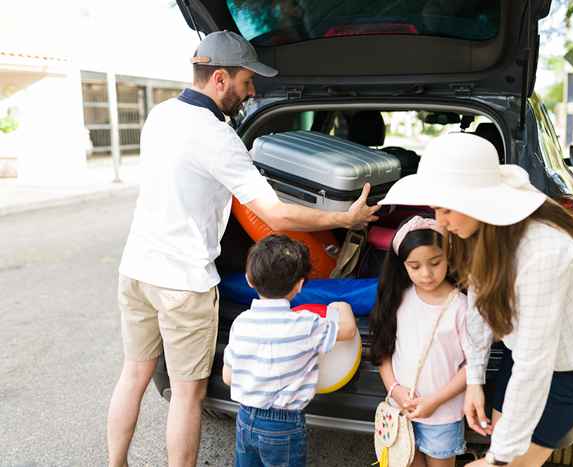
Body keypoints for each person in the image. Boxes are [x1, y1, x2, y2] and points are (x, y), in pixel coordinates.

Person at [107, 31, 378, 467]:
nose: (252, 92)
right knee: (188, 392)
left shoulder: (160, 115)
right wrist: (345, 220)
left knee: (133, 374)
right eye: (247, 81)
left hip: (136, 268)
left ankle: (114, 463)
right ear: (219, 78)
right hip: (184, 283)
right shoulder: (216, 135)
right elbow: (278, 216)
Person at [379, 133, 573, 467]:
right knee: (500, 440)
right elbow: (479, 302)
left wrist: (499, 460)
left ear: (477, 202)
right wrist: (474, 380)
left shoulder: (545, 251)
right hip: (519, 356)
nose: (440, 222)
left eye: (446, 210)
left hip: (568, 371)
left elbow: (536, 362)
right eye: (436, 209)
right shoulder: (478, 233)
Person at [223, 234, 358, 466]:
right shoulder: (305, 325)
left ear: (249, 279)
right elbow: (347, 331)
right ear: (300, 285)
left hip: (245, 418)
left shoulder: (241, 322)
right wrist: (342, 305)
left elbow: (228, 377)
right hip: (283, 425)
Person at [369, 216, 469, 466]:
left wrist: (434, 401)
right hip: (400, 410)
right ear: (402, 266)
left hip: (442, 416)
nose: (426, 274)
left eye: (435, 263)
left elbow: (473, 366)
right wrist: (395, 390)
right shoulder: (397, 299)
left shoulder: (462, 307)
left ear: (448, 257)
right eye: (415, 266)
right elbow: (384, 351)